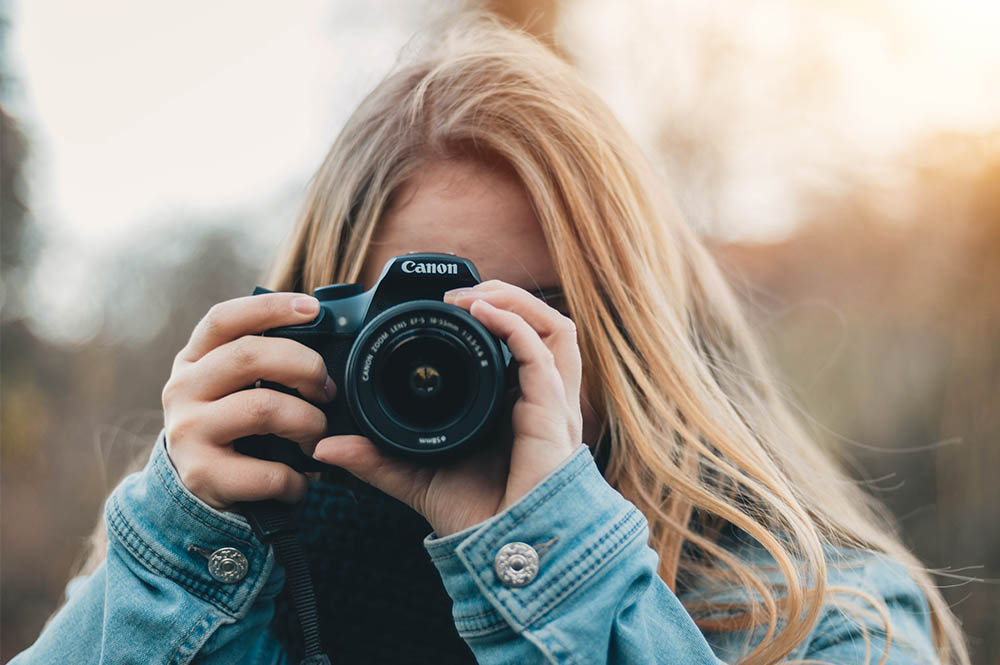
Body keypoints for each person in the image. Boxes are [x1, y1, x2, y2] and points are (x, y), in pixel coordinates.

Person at [11, 14, 969, 665]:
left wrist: (549, 561)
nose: (457, 363)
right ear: (318, 324)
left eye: (530, 314)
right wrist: (174, 557)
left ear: (632, 332)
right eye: (414, 325)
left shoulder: (820, 615)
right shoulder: (228, 566)